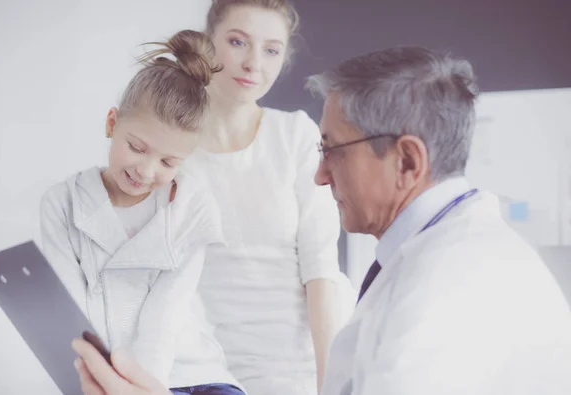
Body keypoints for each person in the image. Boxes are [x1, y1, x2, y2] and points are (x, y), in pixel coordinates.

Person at [72, 45, 571, 395]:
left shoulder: (447, 291)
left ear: (408, 163)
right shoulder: (439, 256)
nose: (319, 175)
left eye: (332, 150)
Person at [41, 30, 245, 394]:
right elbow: (69, 318)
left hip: (192, 375)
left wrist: (148, 389)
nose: (147, 172)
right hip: (109, 379)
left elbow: (163, 318)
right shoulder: (63, 202)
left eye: (169, 161)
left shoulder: (191, 207)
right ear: (111, 123)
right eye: (137, 148)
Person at [180, 1, 355, 394]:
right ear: (208, 44)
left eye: (271, 49)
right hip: (204, 374)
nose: (253, 63)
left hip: (294, 373)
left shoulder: (294, 136)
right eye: (238, 42)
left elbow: (321, 269)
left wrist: (328, 385)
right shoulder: (172, 149)